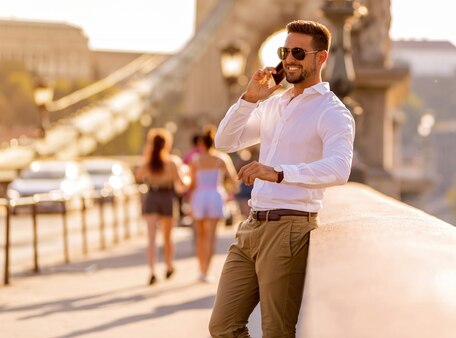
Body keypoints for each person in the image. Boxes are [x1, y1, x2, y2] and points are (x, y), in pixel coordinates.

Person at [209, 20, 355, 337]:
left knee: (277, 331)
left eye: (299, 52)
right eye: (285, 51)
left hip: (290, 228)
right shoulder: (274, 104)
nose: (289, 59)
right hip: (252, 226)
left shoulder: (332, 111)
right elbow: (225, 142)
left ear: (321, 58)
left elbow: (339, 169)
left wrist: (278, 173)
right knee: (222, 326)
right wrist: (249, 98)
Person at [135, 128, 185, 285]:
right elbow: (181, 184)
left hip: (152, 196)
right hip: (167, 197)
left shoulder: (148, 162)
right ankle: (169, 265)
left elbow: (138, 177)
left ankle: (152, 271)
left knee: (151, 238)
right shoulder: (172, 162)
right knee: (167, 236)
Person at [189, 128, 238, 282]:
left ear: (201, 143)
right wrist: (229, 194)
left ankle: (201, 269)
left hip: (199, 195)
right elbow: (233, 179)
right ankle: (206, 271)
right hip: (215, 195)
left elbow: (191, 183)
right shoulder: (221, 159)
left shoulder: (196, 160)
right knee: (211, 236)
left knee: (200, 235)